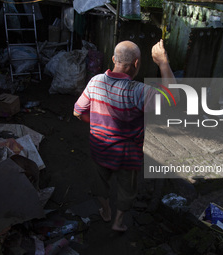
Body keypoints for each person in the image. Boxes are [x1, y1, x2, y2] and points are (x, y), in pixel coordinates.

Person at [73, 39, 175, 232]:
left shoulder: (95, 82)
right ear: (136, 63)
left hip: (99, 148)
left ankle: (105, 211)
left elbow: (78, 112)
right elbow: (173, 98)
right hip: (128, 155)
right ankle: (118, 222)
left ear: (113, 59)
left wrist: (95, 122)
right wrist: (163, 62)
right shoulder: (138, 91)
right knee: (127, 189)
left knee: (100, 184)